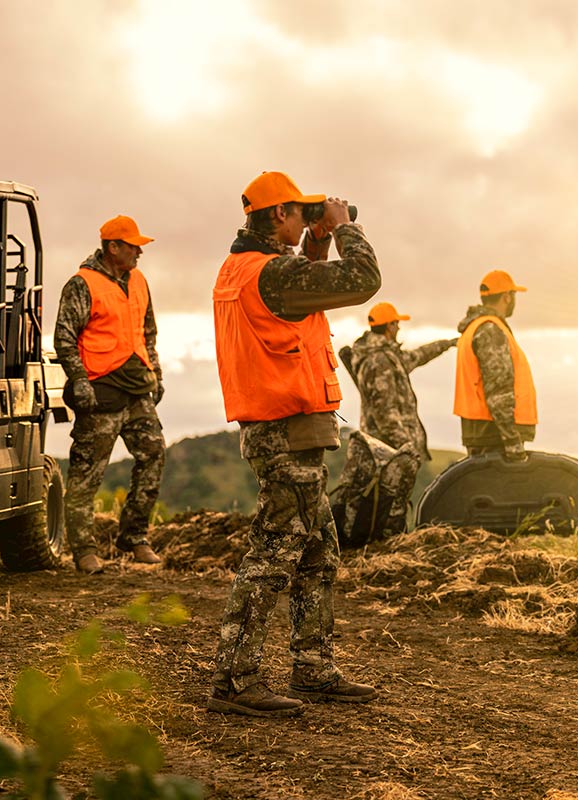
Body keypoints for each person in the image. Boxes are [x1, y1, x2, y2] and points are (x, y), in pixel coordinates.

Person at [208, 172, 380, 717]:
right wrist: (345, 227)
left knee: (317, 552)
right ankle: (235, 680)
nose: (308, 219)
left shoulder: (245, 268)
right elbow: (362, 279)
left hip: (282, 429)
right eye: (300, 212)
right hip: (287, 431)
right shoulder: (273, 273)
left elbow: (306, 285)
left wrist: (319, 238)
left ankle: (313, 668)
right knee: (274, 553)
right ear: (278, 215)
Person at [54, 215, 166, 574]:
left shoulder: (139, 281)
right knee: (87, 475)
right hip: (100, 391)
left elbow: (148, 331)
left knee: (153, 455)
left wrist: (156, 372)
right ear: (112, 247)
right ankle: (84, 551)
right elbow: (64, 337)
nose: (139, 252)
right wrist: (80, 381)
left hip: (138, 388)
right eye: (133, 246)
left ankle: (134, 537)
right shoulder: (81, 284)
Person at [346, 301, 457, 460]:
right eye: (396, 323)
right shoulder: (378, 361)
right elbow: (385, 412)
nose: (399, 327)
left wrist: (448, 343)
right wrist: (406, 447)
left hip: (392, 451)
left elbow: (419, 355)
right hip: (388, 452)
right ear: (389, 326)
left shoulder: (388, 356)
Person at [453, 270, 537, 460]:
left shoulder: (475, 328)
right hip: (494, 435)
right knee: (501, 489)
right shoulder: (491, 330)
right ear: (507, 297)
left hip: (483, 432)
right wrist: (513, 443)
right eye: (514, 295)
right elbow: (498, 391)